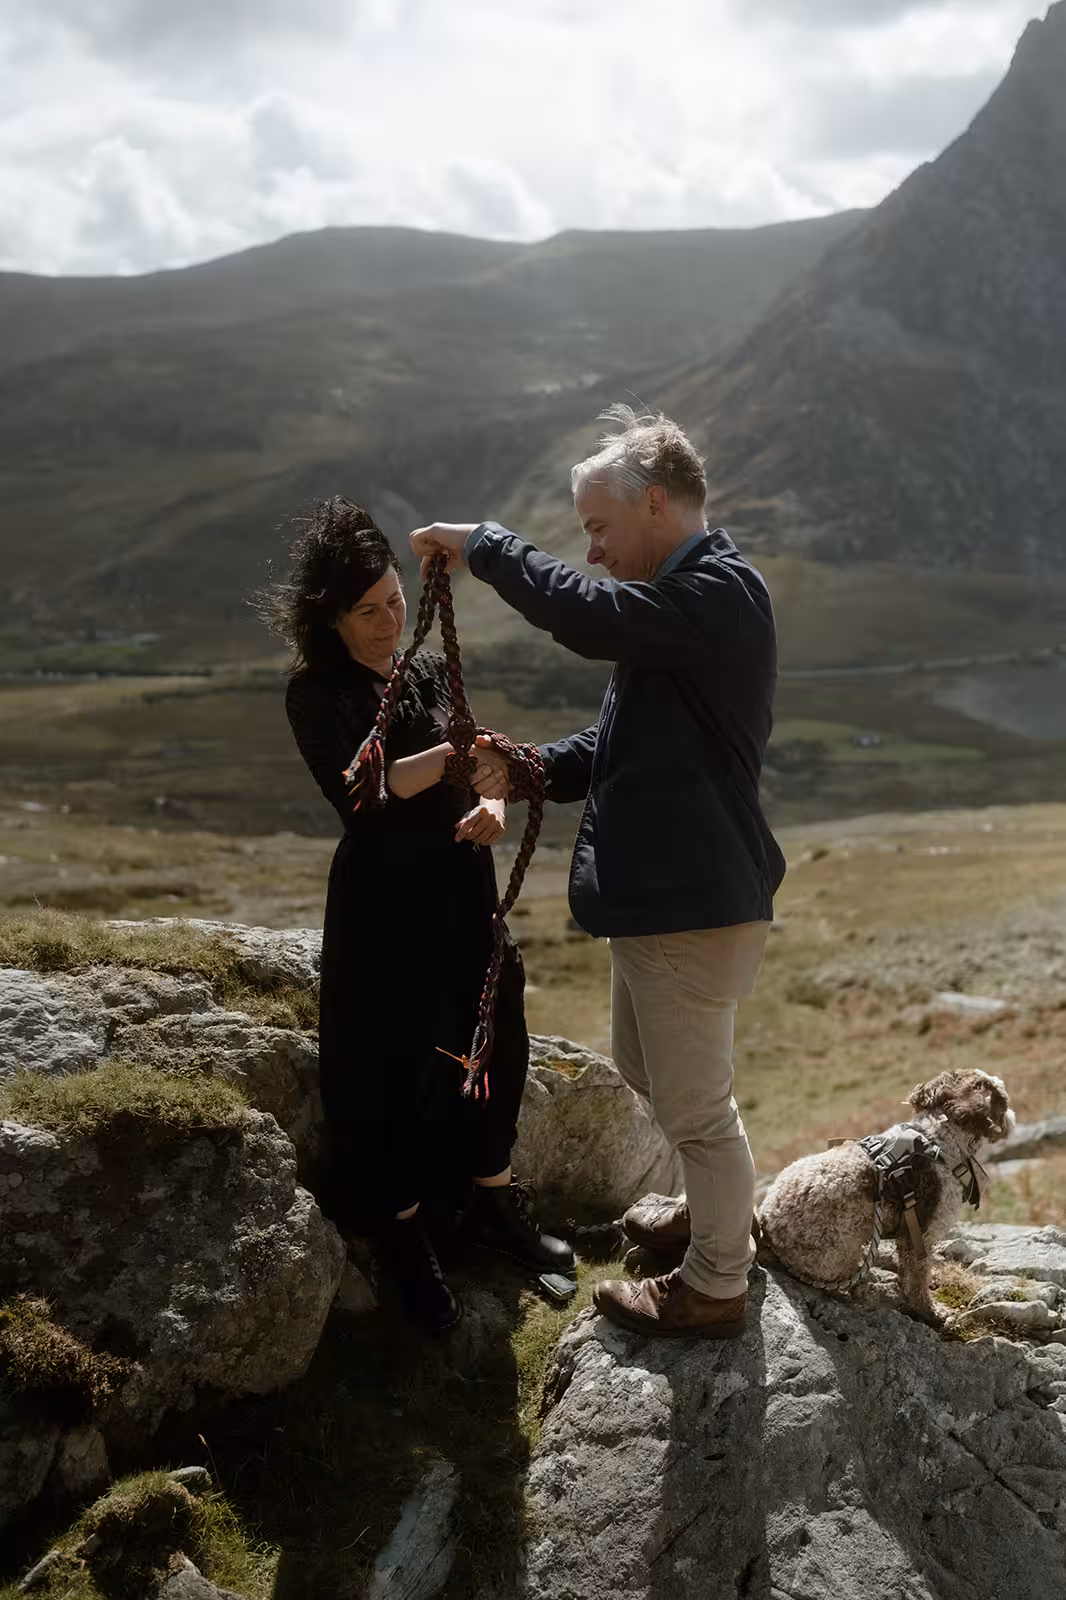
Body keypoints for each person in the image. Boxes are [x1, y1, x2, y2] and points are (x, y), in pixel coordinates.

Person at [409, 407, 786, 1340]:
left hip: (689, 907)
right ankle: (714, 1213)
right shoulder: (682, 607)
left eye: (600, 528)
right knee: (642, 1069)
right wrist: (530, 767)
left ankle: (716, 1284)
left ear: (655, 503)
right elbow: (617, 745)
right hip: (665, 903)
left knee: (698, 1110)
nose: (596, 550)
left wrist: (489, 548)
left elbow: (587, 615)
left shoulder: (719, 596)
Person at [260, 497, 573, 1335]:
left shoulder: (429, 672)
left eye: (396, 601)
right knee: (389, 1064)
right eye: (367, 611)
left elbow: (481, 778)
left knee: (496, 1035)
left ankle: (493, 1203)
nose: (388, 622)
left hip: (459, 889)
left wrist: (495, 810)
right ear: (330, 618)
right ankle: (404, 1238)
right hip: (383, 907)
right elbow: (361, 789)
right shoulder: (315, 694)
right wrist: (448, 757)